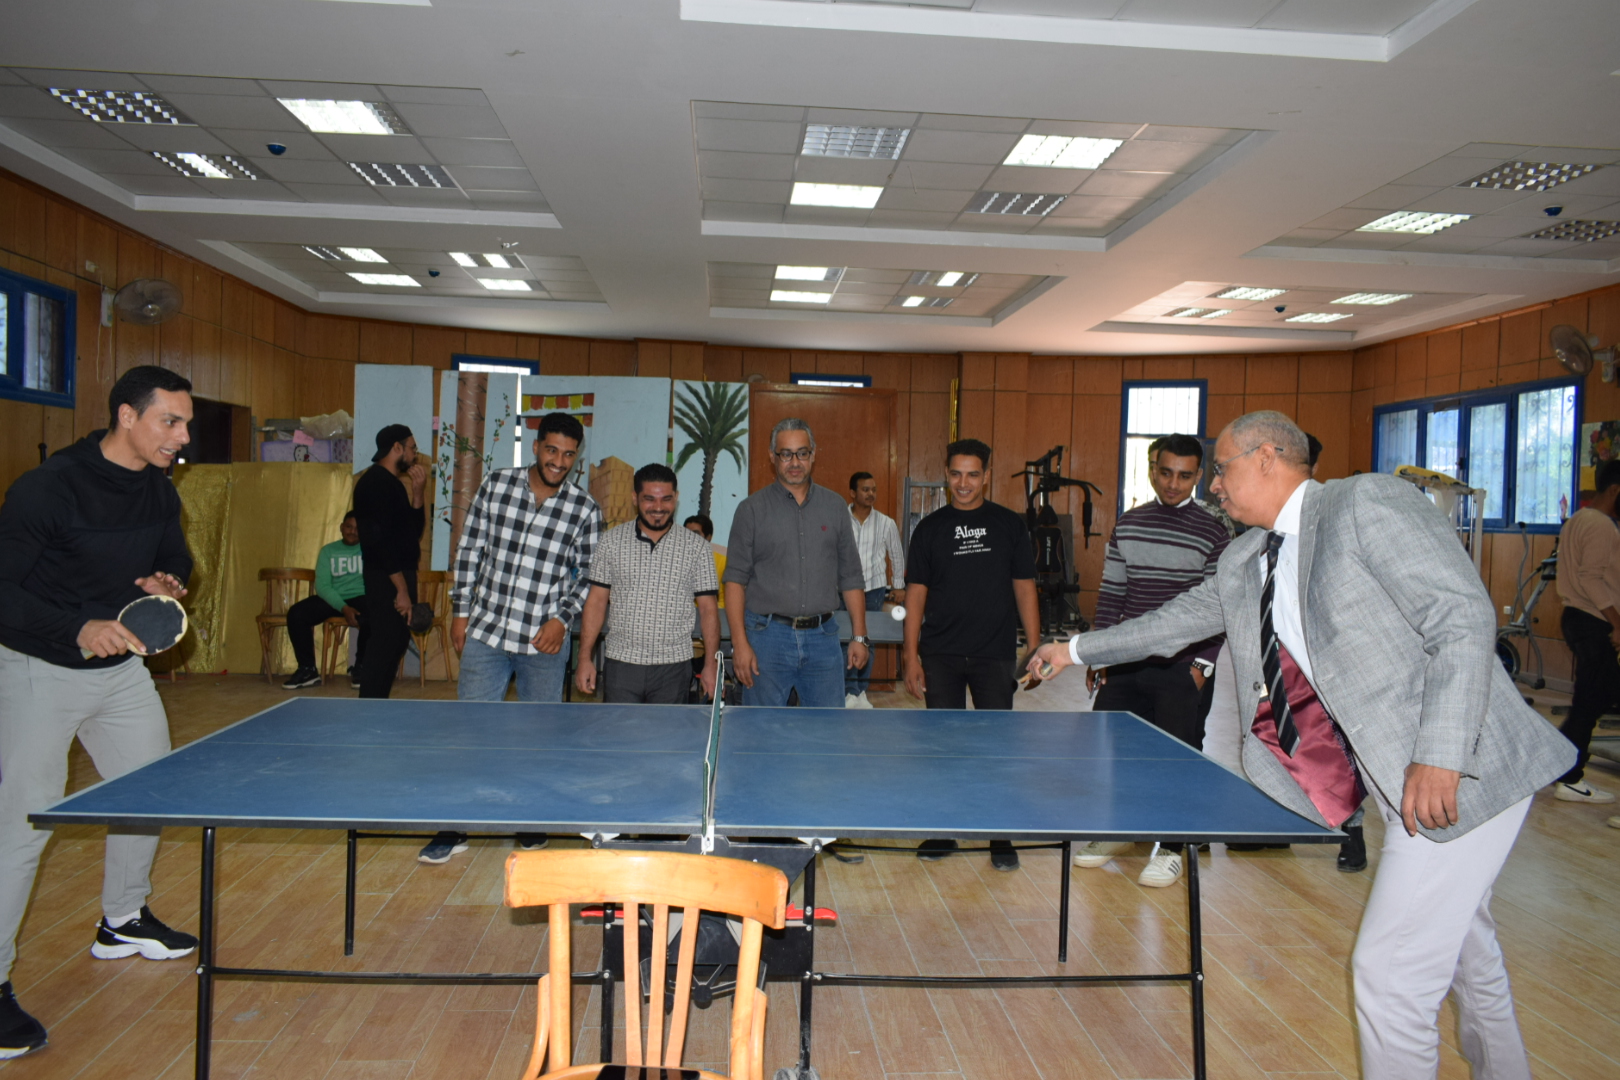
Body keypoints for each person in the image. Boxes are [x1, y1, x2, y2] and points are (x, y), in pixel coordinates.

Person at [1030, 410, 1574, 1080]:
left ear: (1266, 457)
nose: (1214, 486)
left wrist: (1443, 754)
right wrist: (1075, 648)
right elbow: (1174, 622)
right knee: (1469, 955)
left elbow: (1459, 616)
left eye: (1222, 469)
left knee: (1389, 977)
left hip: (1465, 770)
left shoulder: (1363, 503)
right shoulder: (1246, 558)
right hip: (1402, 782)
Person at [0, 366, 203, 1060]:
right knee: (25, 824)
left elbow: (175, 553)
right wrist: (77, 627)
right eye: (170, 421)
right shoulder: (48, 489)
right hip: (39, 668)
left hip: (119, 672)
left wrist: (167, 579)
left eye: (185, 423)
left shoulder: (157, 486)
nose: (182, 436)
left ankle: (122, 920)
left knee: (145, 791)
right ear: (126, 416)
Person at [422, 412, 600, 864]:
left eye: (569, 454)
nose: (559, 461)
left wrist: (562, 620)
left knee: (539, 738)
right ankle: (455, 825)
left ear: (577, 457)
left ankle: (530, 818)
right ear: (536, 447)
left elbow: (589, 576)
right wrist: (460, 613)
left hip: (545, 643)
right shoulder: (497, 484)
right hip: (487, 631)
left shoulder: (585, 509)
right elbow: (470, 551)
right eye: (552, 450)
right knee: (472, 730)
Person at [1073, 434, 1230, 888]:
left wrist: (1202, 667)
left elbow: (1219, 606)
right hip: (1125, 663)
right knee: (1117, 753)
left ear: (1198, 476)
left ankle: (1174, 846)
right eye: (1165, 473)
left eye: (1185, 475)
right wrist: (1098, 654)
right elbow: (1113, 595)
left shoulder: (1214, 531)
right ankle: (1120, 831)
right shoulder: (1129, 524)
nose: (1173, 484)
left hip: (1183, 666)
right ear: (1151, 470)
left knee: (1179, 758)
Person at [902, 439, 1039, 871]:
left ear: (987, 476)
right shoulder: (930, 529)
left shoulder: (1009, 525)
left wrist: (1035, 646)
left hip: (993, 654)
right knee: (945, 749)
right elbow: (915, 594)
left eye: (973, 474)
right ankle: (944, 829)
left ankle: (999, 835)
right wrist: (910, 655)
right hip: (940, 654)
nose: (964, 483)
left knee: (995, 749)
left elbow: (1024, 587)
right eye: (957, 474)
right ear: (947, 475)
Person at [723, 418, 868, 710]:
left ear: (813, 455)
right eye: (786, 454)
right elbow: (735, 580)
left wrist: (860, 636)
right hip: (766, 640)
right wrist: (740, 644)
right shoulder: (751, 510)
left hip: (823, 640)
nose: (794, 462)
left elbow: (851, 576)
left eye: (802, 453)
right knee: (762, 729)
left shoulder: (835, 507)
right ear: (772, 456)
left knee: (827, 730)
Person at [576, 464, 720, 703]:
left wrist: (711, 664)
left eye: (666, 499)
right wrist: (584, 658)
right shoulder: (610, 542)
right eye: (649, 499)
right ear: (635, 498)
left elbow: (708, 609)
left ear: (676, 497)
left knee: (668, 730)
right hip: (621, 665)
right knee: (620, 729)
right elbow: (596, 602)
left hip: (674, 668)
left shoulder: (698, 548)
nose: (658, 507)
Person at [1550, 458, 1620, 805]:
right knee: (1590, 702)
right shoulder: (1602, 526)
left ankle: (1559, 765)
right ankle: (1569, 776)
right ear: (1615, 490)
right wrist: (1617, 623)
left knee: (1594, 698)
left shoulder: (1578, 519)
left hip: (1578, 618)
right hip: (1593, 620)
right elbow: (1591, 578)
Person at [352, 424, 427, 701]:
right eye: (412, 448)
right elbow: (379, 544)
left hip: (400, 573)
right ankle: (369, 706)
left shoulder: (393, 483)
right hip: (386, 577)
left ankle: (377, 704)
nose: (415, 454)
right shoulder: (374, 484)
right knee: (384, 644)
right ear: (397, 447)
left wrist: (418, 492)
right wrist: (401, 590)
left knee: (396, 641)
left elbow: (412, 533)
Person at [281, 513, 369, 690]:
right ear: (341, 527)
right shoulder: (328, 551)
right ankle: (308, 670)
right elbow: (322, 586)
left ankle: (362, 668)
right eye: (349, 527)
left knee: (375, 613)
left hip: (361, 596)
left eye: (358, 528)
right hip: (334, 598)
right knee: (297, 614)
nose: (353, 532)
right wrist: (344, 607)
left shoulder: (370, 551)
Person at [843, 471, 905, 708]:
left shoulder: (886, 523)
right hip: (842, 590)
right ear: (852, 493)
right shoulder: (840, 519)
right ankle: (847, 691)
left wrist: (898, 586)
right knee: (844, 640)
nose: (871, 494)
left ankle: (860, 692)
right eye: (865, 489)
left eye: (873, 490)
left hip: (873, 590)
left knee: (869, 640)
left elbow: (896, 555)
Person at [684, 514, 725, 609]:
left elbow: (726, 601)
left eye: (695, 534)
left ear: (708, 538)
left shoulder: (723, 563)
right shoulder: (676, 561)